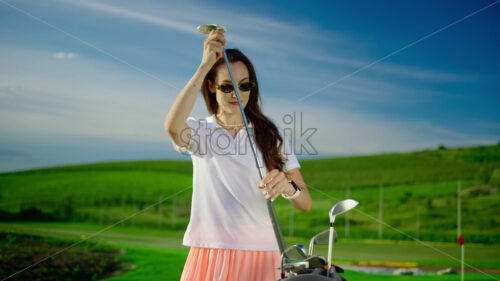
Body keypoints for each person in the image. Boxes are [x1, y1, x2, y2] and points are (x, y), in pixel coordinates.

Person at [164, 28, 312, 281]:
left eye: (244, 86)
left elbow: (305, 202)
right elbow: (172, 127)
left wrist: (288, 187)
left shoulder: (271, 134)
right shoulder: (200, 131)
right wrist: (204, 65)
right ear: (210, 86)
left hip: (265, 254)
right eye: (226, 86)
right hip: (212, 251)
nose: (236, 94)